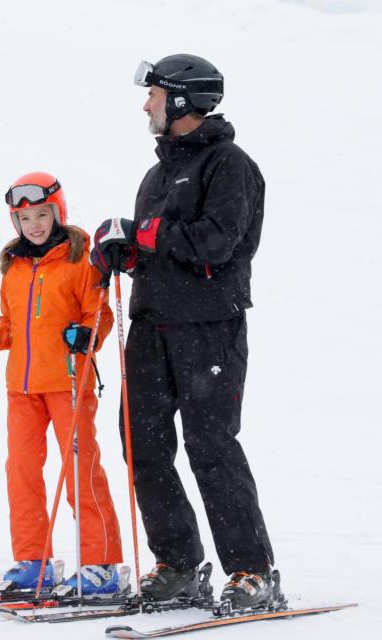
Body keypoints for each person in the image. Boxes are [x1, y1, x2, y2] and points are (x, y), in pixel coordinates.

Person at [91, 54, 275, 609]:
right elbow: (159, 247)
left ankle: (252, 572)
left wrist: (143, 232)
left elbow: (215, 243)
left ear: (181, 100)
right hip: (151, 326)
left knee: (210, 446)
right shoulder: (158, 171)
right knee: (141, 444)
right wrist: (121, 253)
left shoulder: (230, 165)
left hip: (208, 328)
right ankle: (177, 563)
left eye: (153, 95)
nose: (145, 104)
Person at [0, 172, 124, 594]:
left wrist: (88, 336)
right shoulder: (13, 266)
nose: (33, 224)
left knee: (80, 471)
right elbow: (11, 328)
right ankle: (34, 560)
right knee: (22, 472)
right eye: (24, 217)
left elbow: (98, 314)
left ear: (58, 212)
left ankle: (101, 563)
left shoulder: (79, 259)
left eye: (41, 214)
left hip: (68, 381)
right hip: (23, 389)